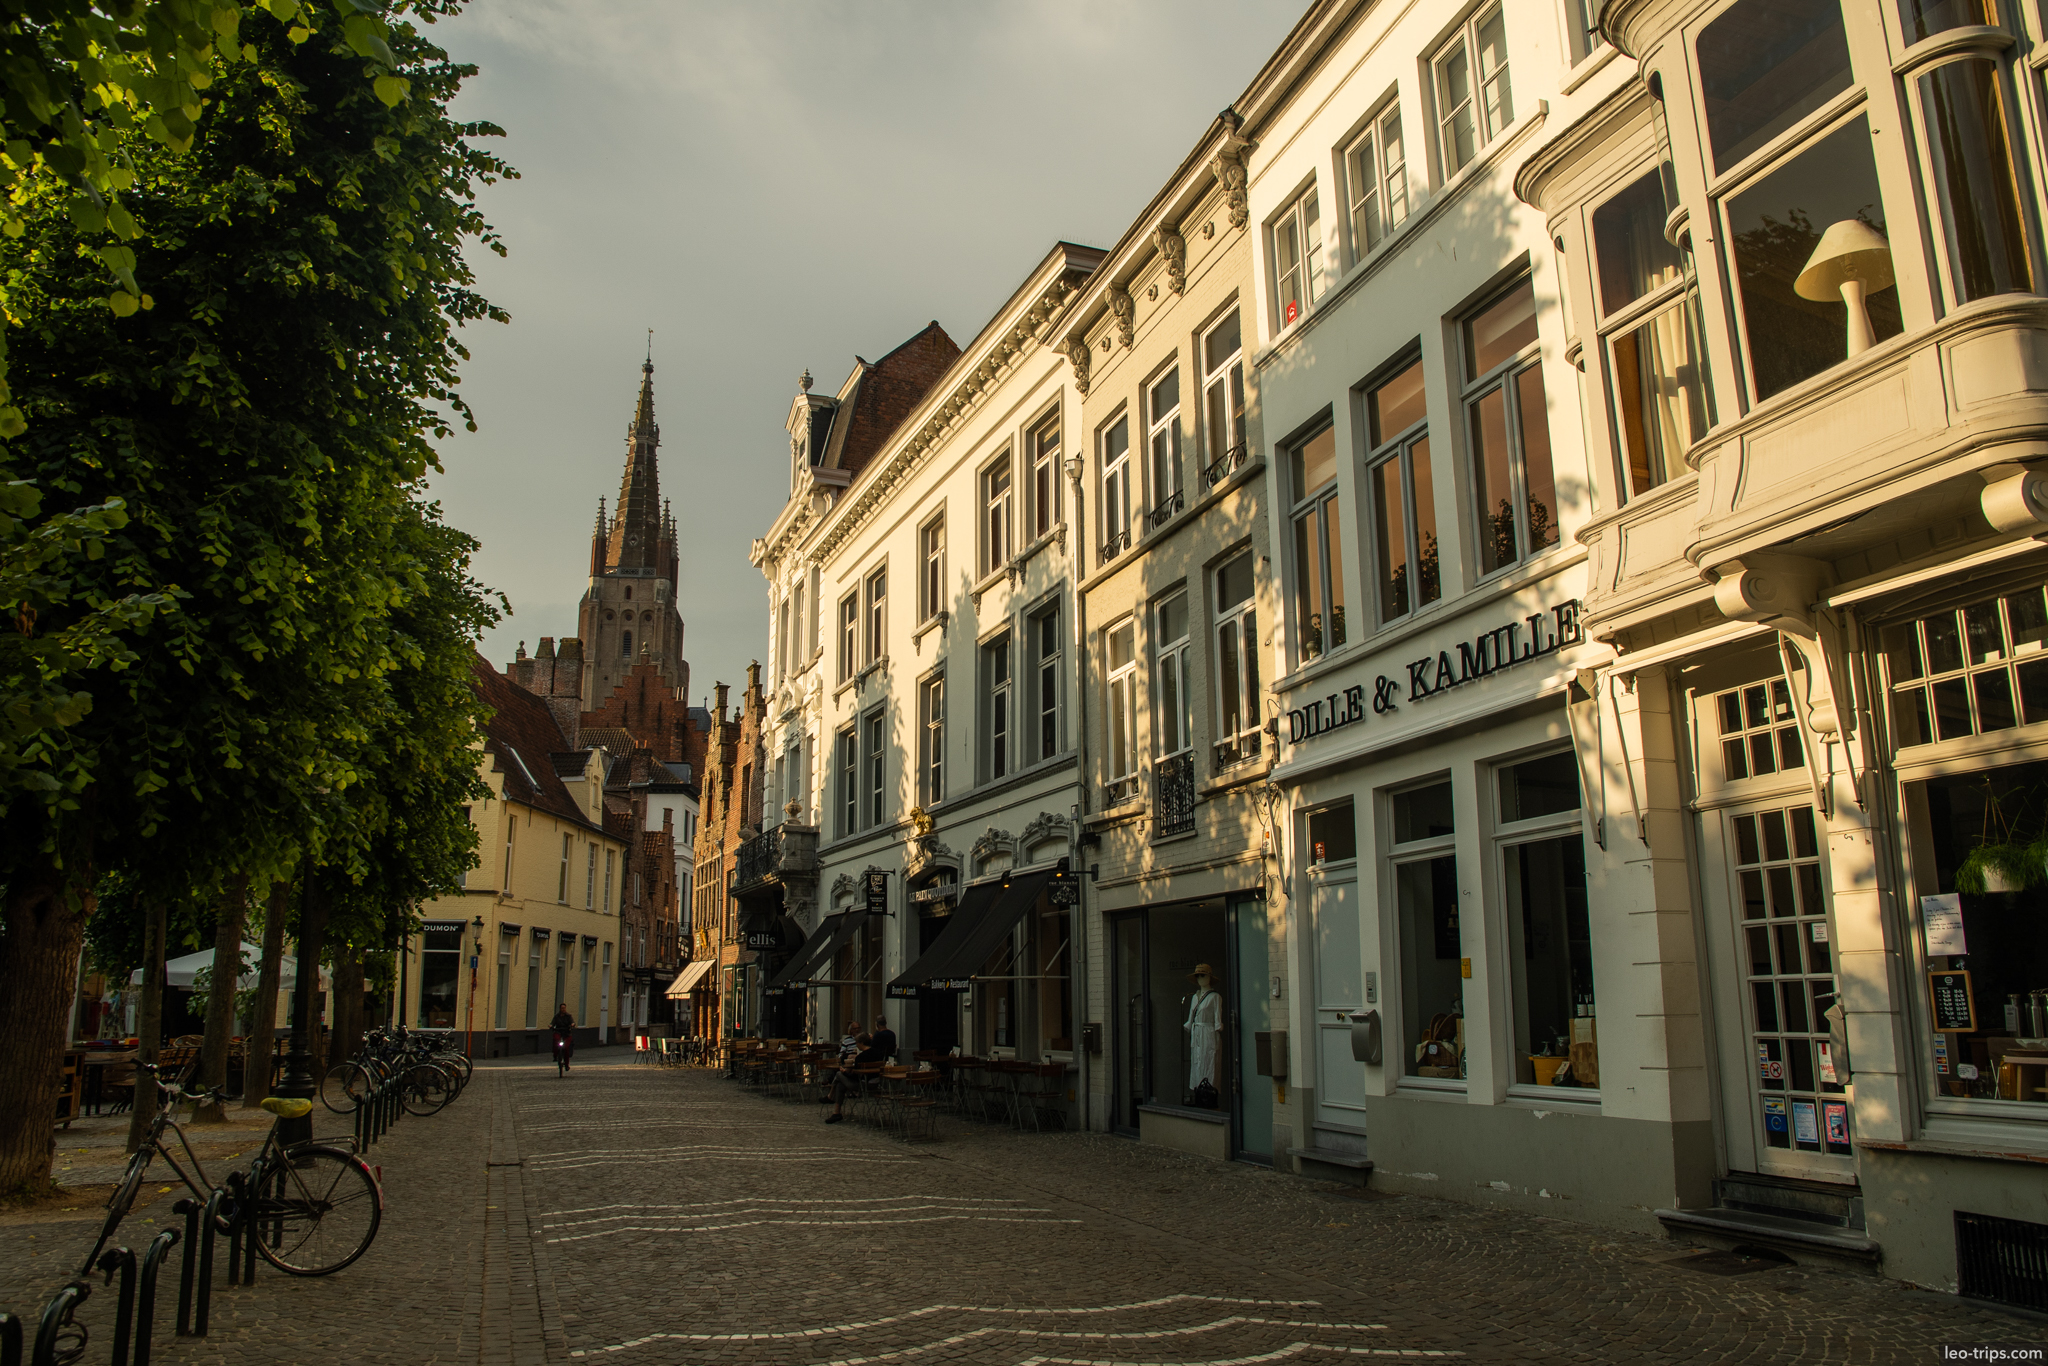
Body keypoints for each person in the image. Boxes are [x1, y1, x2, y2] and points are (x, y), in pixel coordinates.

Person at [824, 1033, 886, 1123]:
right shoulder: (878, 1054)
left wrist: (845, 1072)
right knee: (840, 1085)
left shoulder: (861, 1057)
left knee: (838, 1074)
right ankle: (836, 1112)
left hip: (863, 1084)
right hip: (876, 1083)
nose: (856, 1045)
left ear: (861, 1043)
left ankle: (830, 1096)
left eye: (857, 1043)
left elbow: (856, 1078)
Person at [550, 1003, 575, 1075]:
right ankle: (555, 1055)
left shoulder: (568, 1016)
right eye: (562, 1008)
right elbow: (552, 1023)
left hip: (566, 1032)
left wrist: (572, 1024)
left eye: (564, 1008)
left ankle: (566, 1064)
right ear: (560, 1009)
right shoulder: (557, 1016)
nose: (563, 1009)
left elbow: (572, 1022)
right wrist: (551, 1025)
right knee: (555, 1040)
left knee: (566, 1047)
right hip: (558, 1031)